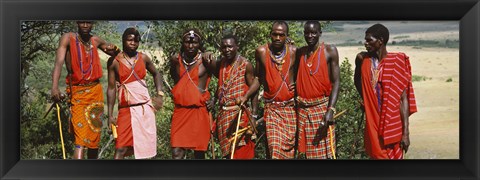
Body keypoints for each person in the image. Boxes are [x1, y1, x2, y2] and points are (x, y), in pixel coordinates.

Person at [50, 21, 120, 159]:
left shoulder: (95, 40)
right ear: (77, 22)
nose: (85, 25)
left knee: (94, 139)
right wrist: (54, 87)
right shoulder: (67, 38)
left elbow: (112, 50)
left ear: (93, 24)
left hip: (95, 92)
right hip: (78, 93)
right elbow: (58, 63)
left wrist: (115, 49)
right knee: (80, 140)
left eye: (89, 22)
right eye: (82, 22)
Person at [354, 23, 417, 159]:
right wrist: (366, 99)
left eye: (369, 40)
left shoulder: (396, 62)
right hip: (372, 120)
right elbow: (357, 80)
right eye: (365, 40)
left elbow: (403, 99)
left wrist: (405, 133)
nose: (365, 43)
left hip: (392, 123)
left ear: (380, 41)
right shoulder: (362, 59)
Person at [106, 27, 164, 159]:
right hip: (126, 110)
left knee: (147, 149)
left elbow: (156, 74)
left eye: (136, 41)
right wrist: (110, 115)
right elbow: (111, 89)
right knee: (120, 148)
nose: (133, 43)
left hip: (144, 109)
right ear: (123, 41)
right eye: (129, 40)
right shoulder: (114, 62)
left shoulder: (143, 58)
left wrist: (160, 94)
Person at [205, 34, 260, 159]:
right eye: (224, 47)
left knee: (241, 152)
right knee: (229, 155)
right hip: (224, 117)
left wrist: (254, 116)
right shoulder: (221, 64)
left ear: (237, 47)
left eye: (230, 47)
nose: (227, 50)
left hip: (240, 115)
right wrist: (214, 99)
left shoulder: (246, 65)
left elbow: (255, 90)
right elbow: (222, 87)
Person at [294, 21, 340, 159]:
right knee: (306, 154)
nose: (310, 35)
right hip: (302, 110)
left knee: (324, 154)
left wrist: (330, 110)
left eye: (314, 32)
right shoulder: (300, 53)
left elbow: (336, 81)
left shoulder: (329, 51)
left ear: (320, 33)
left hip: (321, 109)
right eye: (307, 32)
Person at [169, 28, 215, 159]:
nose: (190, 45)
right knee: (176, 153)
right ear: (182, 43)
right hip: (180, 112)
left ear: (199, 44)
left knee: (199, 154)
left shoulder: (207, 60)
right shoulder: (176, 61)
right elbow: (177, 83)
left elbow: (223, 79)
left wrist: (215, 100)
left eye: (194, 42)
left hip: (199, 112)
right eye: (187, 42)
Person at [255, 21, 297, 159]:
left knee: (289, 153)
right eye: (275, 34)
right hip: (272, 109)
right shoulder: (261, 52)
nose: (278, 38)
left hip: (290, 109)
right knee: (275, 150)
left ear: (286, 36)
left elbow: (303, 73)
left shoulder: (293, 51)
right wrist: (246, 97)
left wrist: (298, 84)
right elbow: (258, 78)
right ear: (270, 35)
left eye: (281, 35)